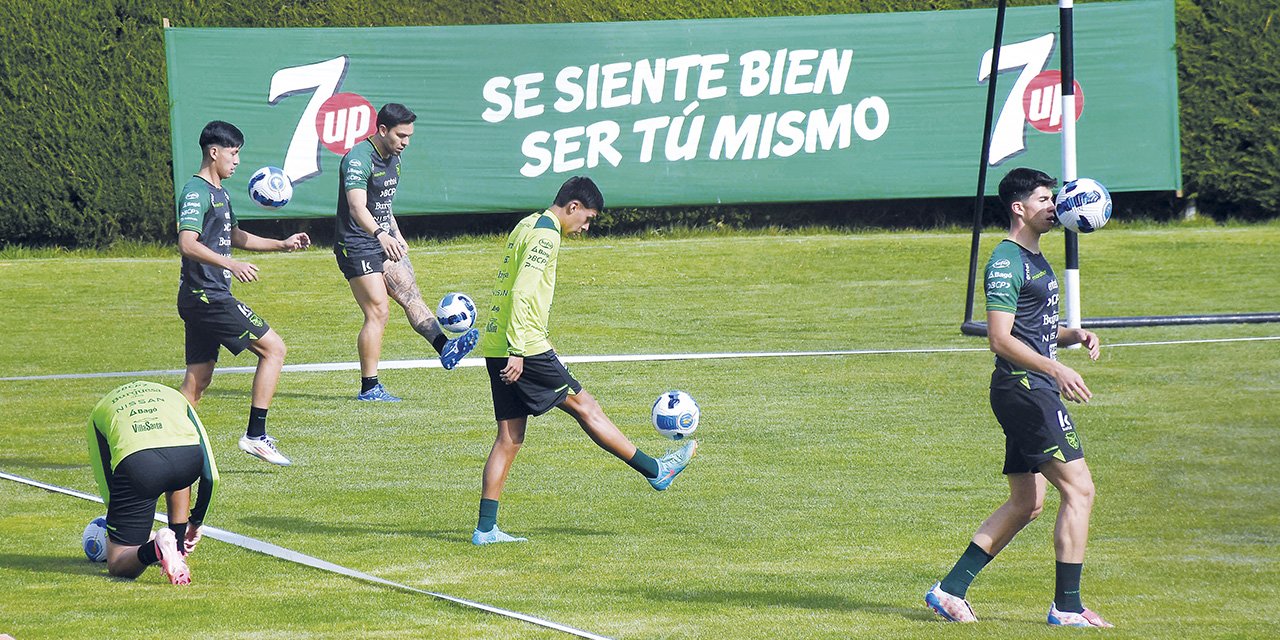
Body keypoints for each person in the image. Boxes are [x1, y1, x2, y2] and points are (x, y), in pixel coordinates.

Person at [924, 168, 1111, 627]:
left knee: (1027, 502)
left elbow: (1037, 330)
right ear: (1019, 208)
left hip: (1029, 387)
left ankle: (949, 590)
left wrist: (1072, 335)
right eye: (1046, 199)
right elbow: (1000, 339)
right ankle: (1066, 608)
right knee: (1080, 490)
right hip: (1026, 389)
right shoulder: (1007, 261)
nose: (1055, 206)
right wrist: (1055, 366)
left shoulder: (1036, 258)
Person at [471, 176, 698, 545]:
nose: (586, 227)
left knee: (509, 438)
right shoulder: (547, 235)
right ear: (572, 206)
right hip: (521, 346)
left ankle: (485, 529)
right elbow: (523, 290)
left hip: (498, 343)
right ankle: (656, 470)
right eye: (588, 218)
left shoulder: (527, 223)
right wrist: (519, 348)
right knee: (585, 406)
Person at [177, 120, 311, 467]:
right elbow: (187, 243)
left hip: (203, 297)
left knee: (198, 381)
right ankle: (255, 435)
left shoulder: (220, 193)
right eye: (234, 154)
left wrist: (281, 244)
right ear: (214, 152)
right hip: (207, 296)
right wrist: (231, 265)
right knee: (274, 349)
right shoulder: (196, 193)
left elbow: (236, 237)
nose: (237, 161)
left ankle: (168, 441)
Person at [334, 102, 478, 402]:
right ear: (382, 130)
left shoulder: (394, 159)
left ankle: (445, 347)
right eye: (401, 136)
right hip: (357, 244)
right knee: (378, 311)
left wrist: (396, 235)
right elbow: (357, 207)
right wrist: (380, 234)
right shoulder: (359, 160)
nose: (406, 142)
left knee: (410, 293)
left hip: (383, 238)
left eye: (409, 136)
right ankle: (369, 387)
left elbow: (383, 205)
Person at [87, 380, 219, 585]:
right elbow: (211, 474)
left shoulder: (99, 410)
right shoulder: (176, 397)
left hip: (139, 465)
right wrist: (197, 521)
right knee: (178, 469)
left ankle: (155, 548)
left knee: (117, 564)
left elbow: (105, 477)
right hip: (188, 460)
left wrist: (118, 525)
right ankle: (177, 548)